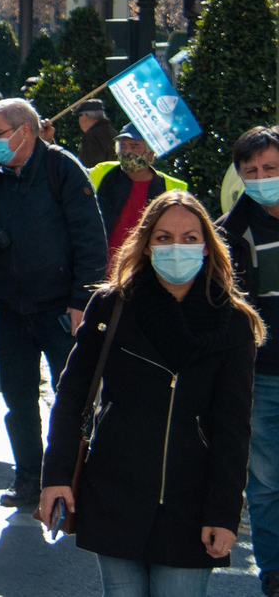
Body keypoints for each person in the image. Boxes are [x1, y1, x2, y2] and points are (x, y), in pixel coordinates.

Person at [40, 192, 261, 595]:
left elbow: (233, 428)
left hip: (192, 506)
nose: (177, 247)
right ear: (145, 244)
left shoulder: (234, 323)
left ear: (208, 247)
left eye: (190, 237)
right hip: (113, 494)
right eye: (164, 237)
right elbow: (72, 395)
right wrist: (55, 477)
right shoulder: (113, 305)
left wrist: (224, 513)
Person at [0, 97, 108, 508]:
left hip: (60, 308)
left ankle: (74, 476)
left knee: (72, 399)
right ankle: (28, 477)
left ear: (25, 131)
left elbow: (90, 238)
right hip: (14, 309)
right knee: (18, 399)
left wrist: (82, 301)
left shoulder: (62, 168)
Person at [221, 126, 279, 597]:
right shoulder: (229, 236)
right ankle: (274, 570)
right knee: (266, 482)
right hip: (262, 377)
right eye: (252, 171)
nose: (262, 178)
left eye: (271, 169)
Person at [90, 124, 189, 262]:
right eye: (123, 146)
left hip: (144, 268)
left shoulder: (172, 188)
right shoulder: (102, 172)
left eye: (134, 146)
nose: (127, 151)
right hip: (98, 266)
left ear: (150, 154)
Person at [75, 98, 118, 168]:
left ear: (84, 117)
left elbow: (88, 166)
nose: (78, 120)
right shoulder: (113, 132)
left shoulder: (91, 136)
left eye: (78, 116)